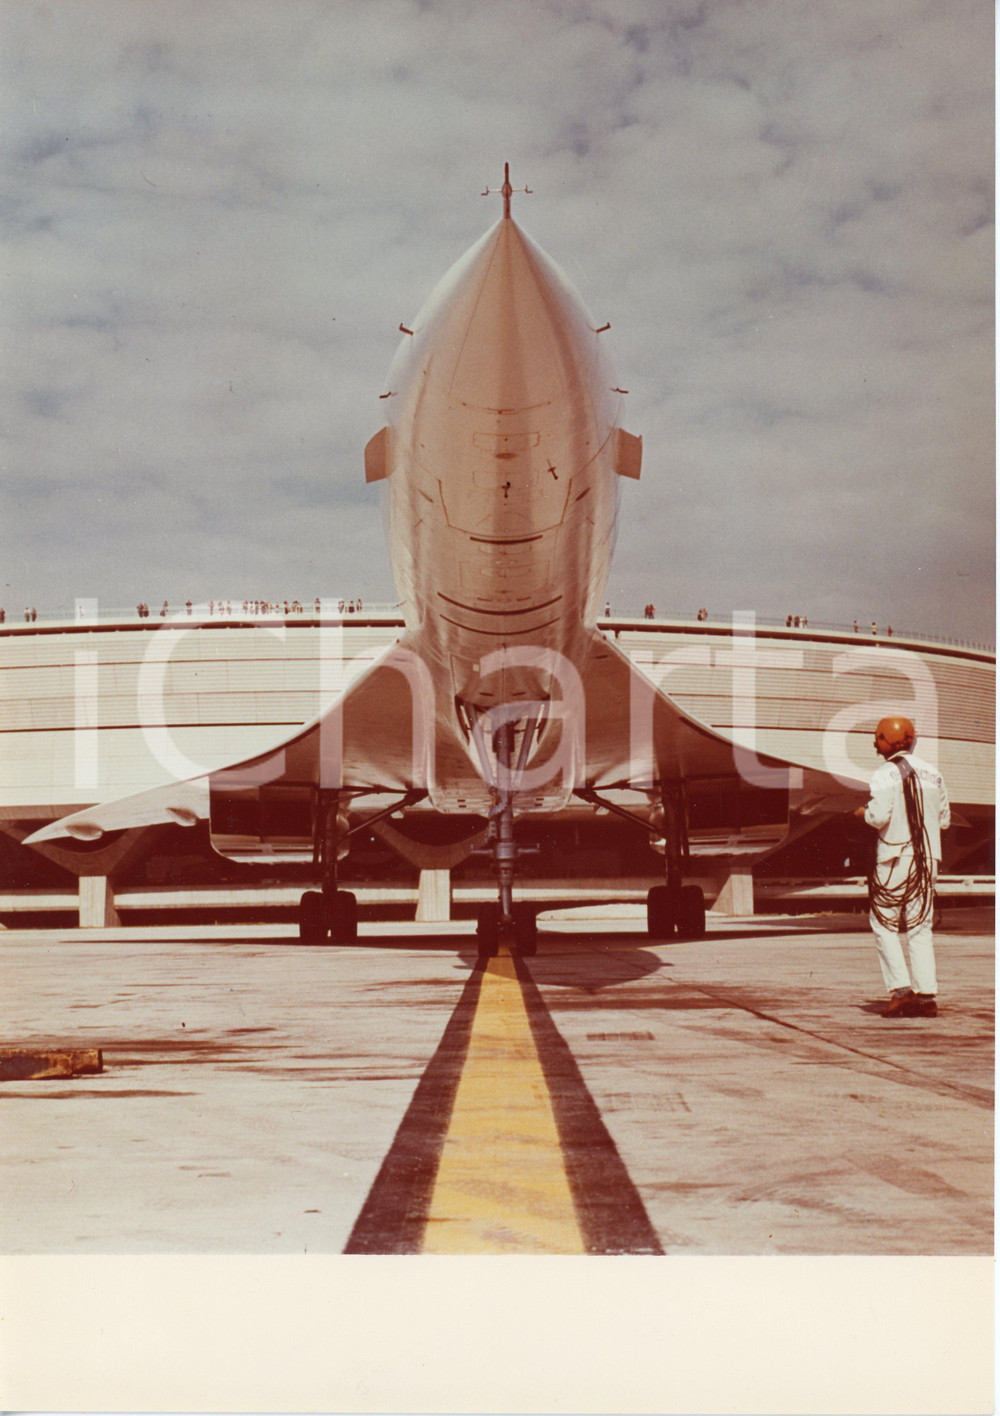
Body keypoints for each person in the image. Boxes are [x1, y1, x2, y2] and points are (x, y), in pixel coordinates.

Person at [854, 716, 950, 1017]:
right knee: (920, 926)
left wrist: (862, 813)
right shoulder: (934, 774)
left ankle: (901, 992)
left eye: (877, 739)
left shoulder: (885, 773)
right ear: (911, 739)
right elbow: (944, 820)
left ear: (884, 741)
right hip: (928, 860)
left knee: (884, 923)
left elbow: (879, 816)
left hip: (896, 858)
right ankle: (926, 997)